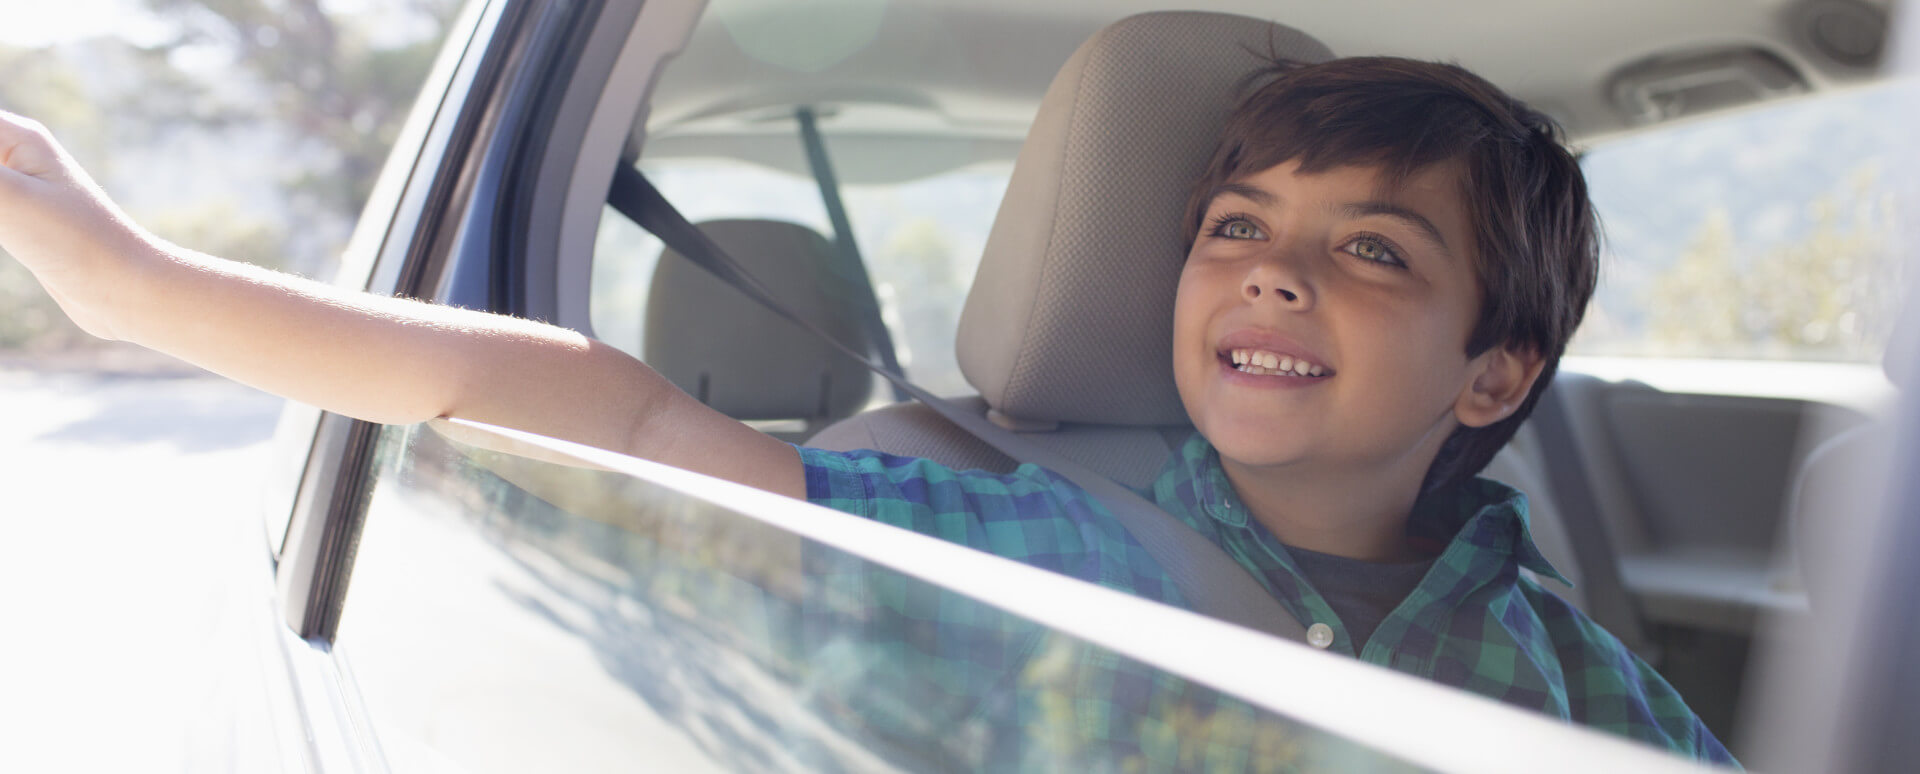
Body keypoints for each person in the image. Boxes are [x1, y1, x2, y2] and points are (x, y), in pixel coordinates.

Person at [0, 54, 1736, 766]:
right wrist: (137, 284)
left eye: (1369, 247)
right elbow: (642, 425)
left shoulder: (1572, 669)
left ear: (1496, 370)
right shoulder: (1027, 551)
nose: (1275, 277)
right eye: (1236, 230)